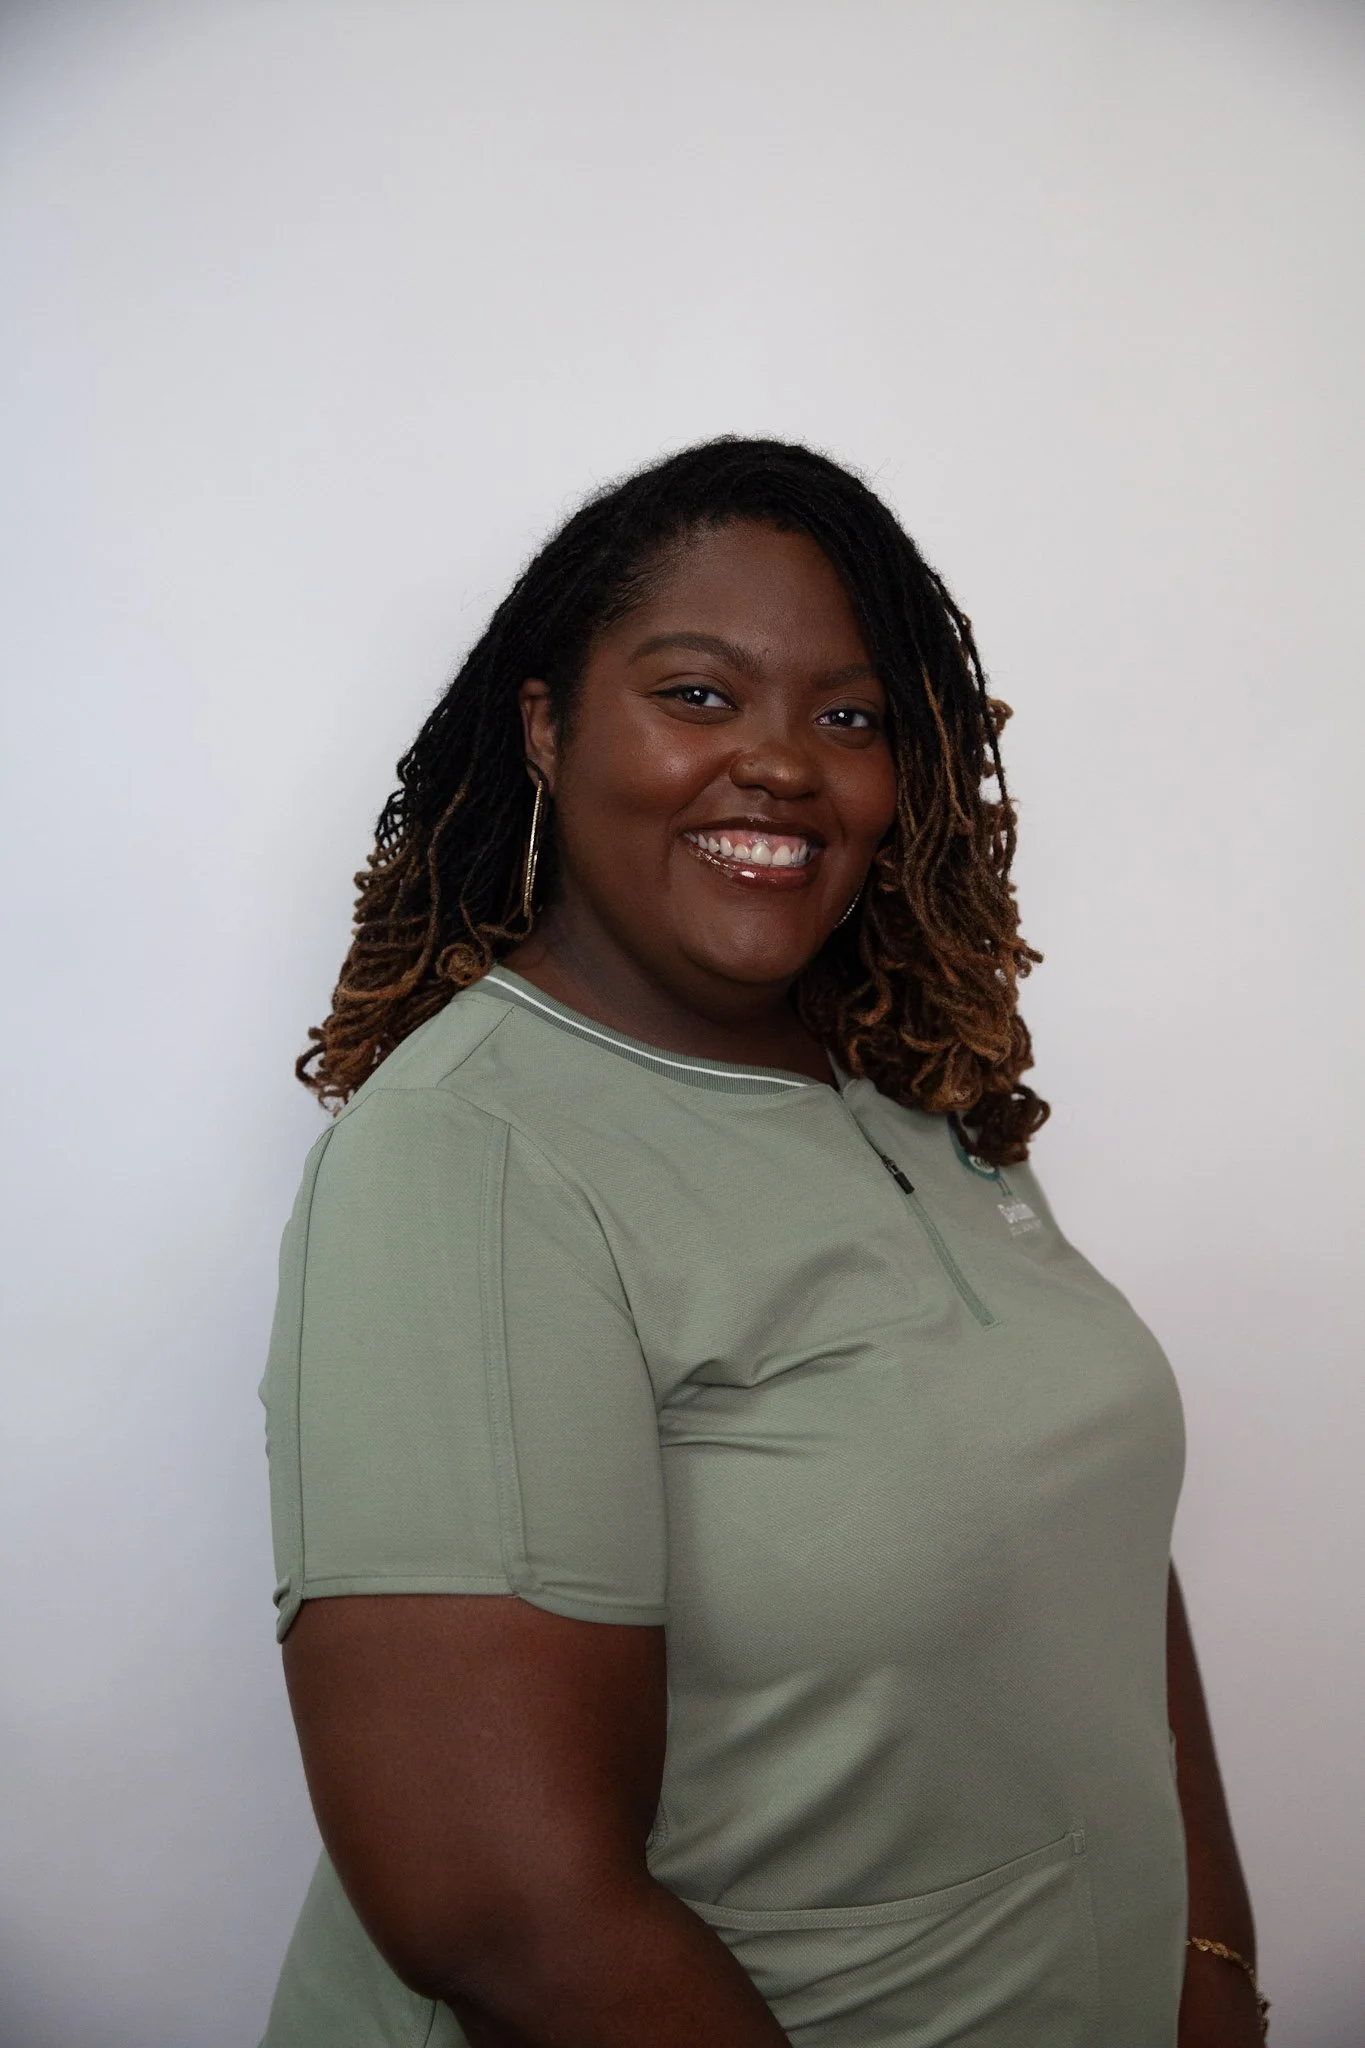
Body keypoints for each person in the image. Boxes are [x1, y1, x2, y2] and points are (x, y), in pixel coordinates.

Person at [259, 438, 1266, 2046]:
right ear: (546, 726)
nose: (784, 765)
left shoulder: (917, 1096)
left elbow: (1095, 1549)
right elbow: (506, 1909)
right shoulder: (476, 1156)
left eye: (847, 717)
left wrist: (1209, 1970)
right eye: (700, 696)